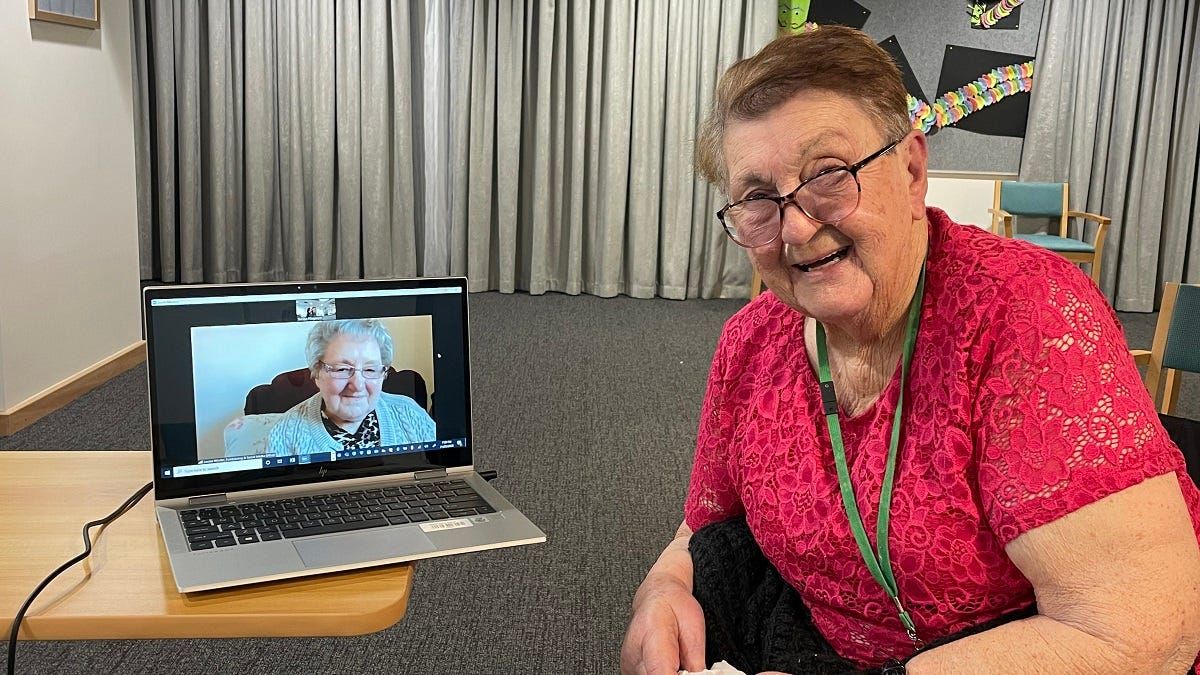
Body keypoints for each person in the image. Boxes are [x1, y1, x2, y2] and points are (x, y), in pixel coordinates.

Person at [621, 25, 1200, 674]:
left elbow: (1144, 636)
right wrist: (666, 585)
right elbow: (704, 523)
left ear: (912, 169)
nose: (797, 226)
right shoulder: (749, 343)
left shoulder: (1026, 317)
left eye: (830, 174)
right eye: (758, 197)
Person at [267, 319, 435, 456]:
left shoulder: (410, 414)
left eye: (370, 369)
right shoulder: (285, 432)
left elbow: (442, 466)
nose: (358, 385)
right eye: (342, 369)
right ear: (317, 373)